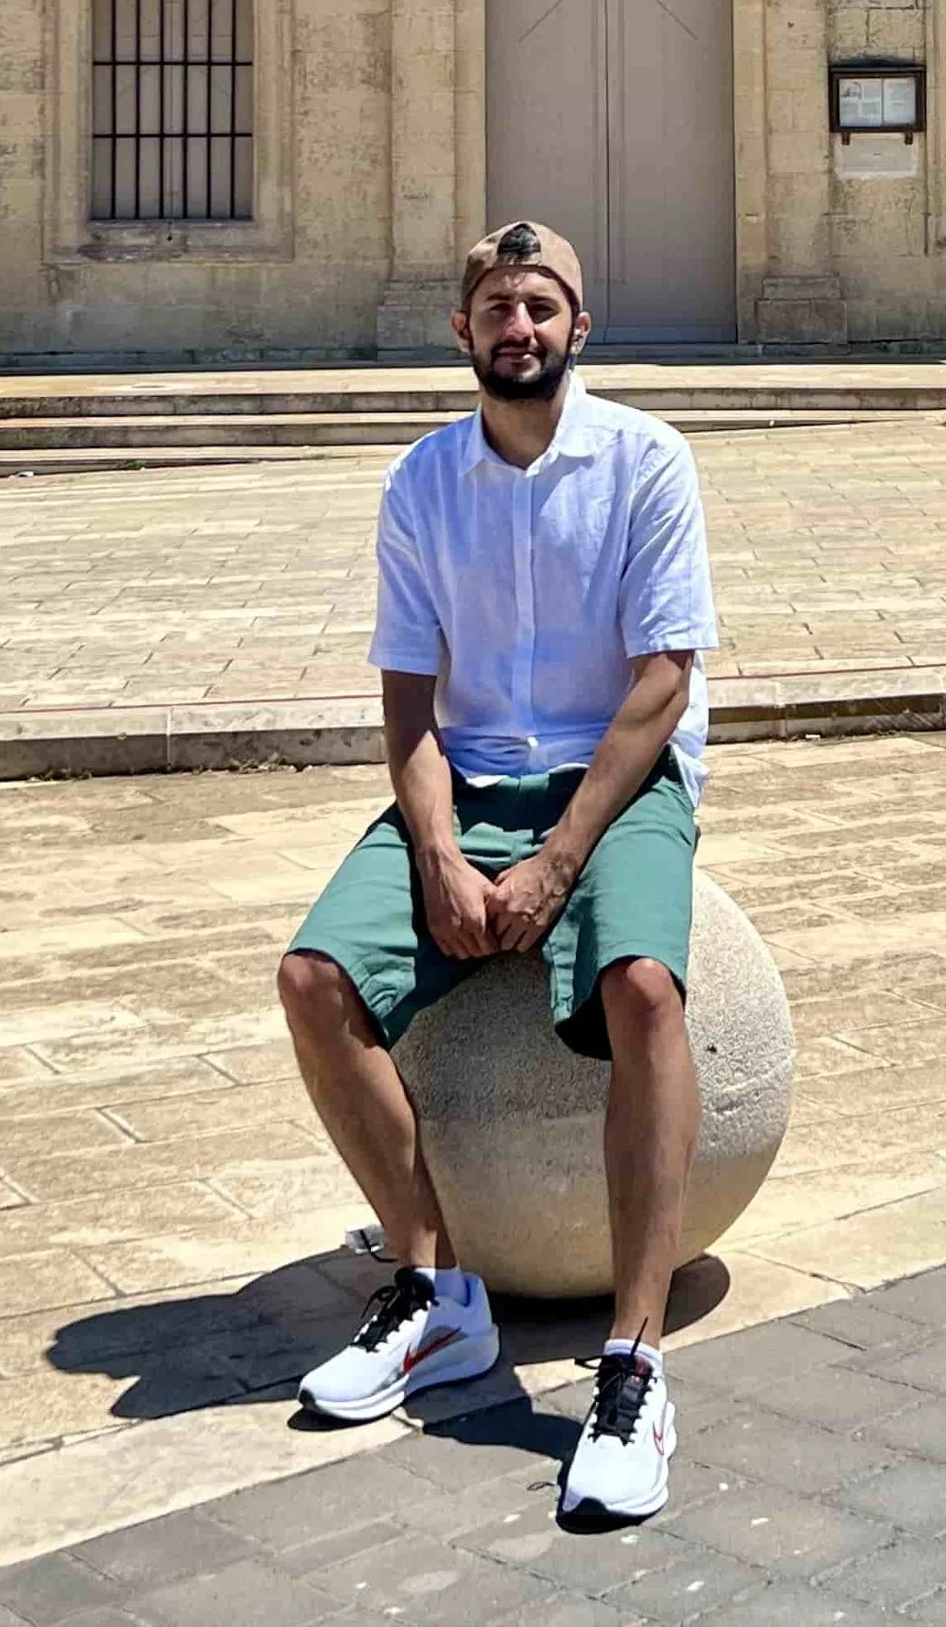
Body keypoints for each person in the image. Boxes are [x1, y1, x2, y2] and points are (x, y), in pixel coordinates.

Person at [277, 218, 716, 1526]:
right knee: (312, 981)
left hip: (618, 779)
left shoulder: (647, 461)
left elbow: (663, 683)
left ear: (579, 327)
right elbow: (407, 701)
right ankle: (436, 1292)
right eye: (497, 308)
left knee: (644, 988)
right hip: (466, 779)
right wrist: (442, 850)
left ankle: (634, 1360)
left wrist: (559, 859)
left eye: (543, 306)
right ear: (462, 330)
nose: (518, 328)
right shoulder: (421, 482)